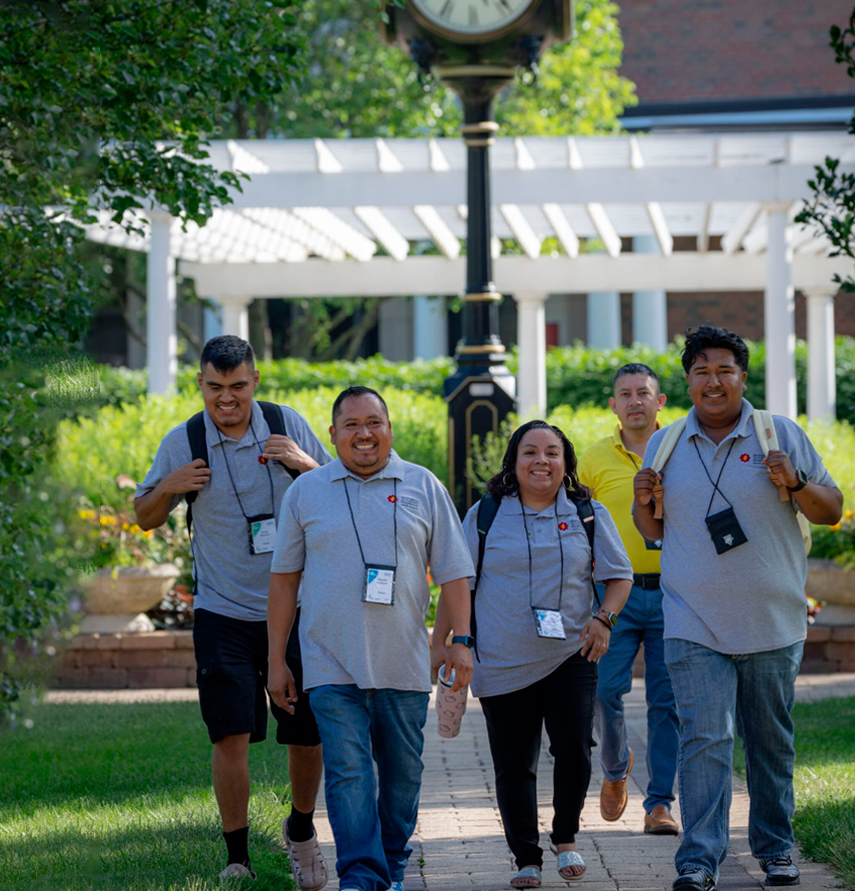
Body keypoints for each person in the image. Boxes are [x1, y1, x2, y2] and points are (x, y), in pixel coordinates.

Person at [633, 326, 843, 890]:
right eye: (701, 372)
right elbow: (652, 529)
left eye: (725, 370)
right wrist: (639, 499)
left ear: (743, 378)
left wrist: (795, 482)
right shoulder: (667, 442)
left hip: (773, 621)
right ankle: (699, 859)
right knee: (706, 737)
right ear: (687, 382)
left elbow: (832, 510)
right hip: (691, 619)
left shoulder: (779, 434)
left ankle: (776, 847)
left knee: (769, 741)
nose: (714, 381)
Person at [134, 336, 332, 888]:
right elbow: (145, 517)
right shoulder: (186, 440)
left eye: (237, 387)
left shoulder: (285, 423)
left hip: (294, 607)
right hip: (223, 612)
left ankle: (301, 830)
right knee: (229, 735)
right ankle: (237, 857)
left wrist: (302, 462)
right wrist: (170, 487)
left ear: (255, 381)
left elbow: (340, 494)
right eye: (215, 388)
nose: (226, 399)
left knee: (305, 732)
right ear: (200, 384)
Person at [267, 386, 475, 891]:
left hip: (403, 662)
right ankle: (360, 875)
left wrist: (459, 640)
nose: (364, 434)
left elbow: (453, 573)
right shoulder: (307, 491)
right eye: (352, 425)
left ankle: (391, 867)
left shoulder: (422, 485)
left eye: (373, 423)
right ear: (333, 433)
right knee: (349, 771)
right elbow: (283, 579)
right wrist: (276, 660)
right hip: (328, 660)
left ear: (389, 429)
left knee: (402, 776)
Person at [434, 420, 633, 890]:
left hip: (571, 653)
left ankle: (565, 838)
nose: (541, 461)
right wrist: (444, 643)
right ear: (513, 461)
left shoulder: (587, 513)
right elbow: (457, 583)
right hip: (501, 660)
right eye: (530, 452)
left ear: (565, 463)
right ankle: (526, 856)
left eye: (552, 452)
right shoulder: (485, 515)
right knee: (513, 762)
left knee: (575, 752)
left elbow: (619, 575)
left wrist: (603, 619)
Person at [578, 363, 681, 835]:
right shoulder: (593, 459)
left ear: (660, 402)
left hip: (676, 592)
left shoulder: (681, 448)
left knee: (668, 701)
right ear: (613, 404)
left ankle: (660, 803)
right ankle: (616, 769)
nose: (635, 400)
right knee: (603, 691)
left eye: (644, 393)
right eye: (626, 393)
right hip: (611, 595)